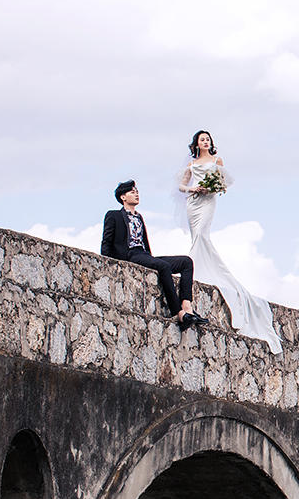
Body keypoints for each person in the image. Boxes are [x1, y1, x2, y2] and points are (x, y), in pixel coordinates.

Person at [178, 130, 283, 353]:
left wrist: (211, 188)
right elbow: (181, 186)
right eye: (202, 139)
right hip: (193, 202)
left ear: (210, 143)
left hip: (207, 202)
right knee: (195, 234)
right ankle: (195, 267)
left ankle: (197, 267)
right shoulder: (192, 163)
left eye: (208, 139)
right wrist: (192, 188)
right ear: (197, 143)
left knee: (201, 234)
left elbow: (224, 184)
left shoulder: (217, 161)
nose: (205, 142)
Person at [100, 180, 208, 331]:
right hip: (130, 255)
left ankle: (187, 306)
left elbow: (145, 244)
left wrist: (150, 258)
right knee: (163, 266)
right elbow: (106, 241)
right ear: (123, 197)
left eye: (137, 191)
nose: (136, 194)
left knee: (186, 262)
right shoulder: (113, 215)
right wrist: (107, 262)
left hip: (144, 255)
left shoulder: (139, 217)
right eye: (132, 192)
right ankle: (179, 313)